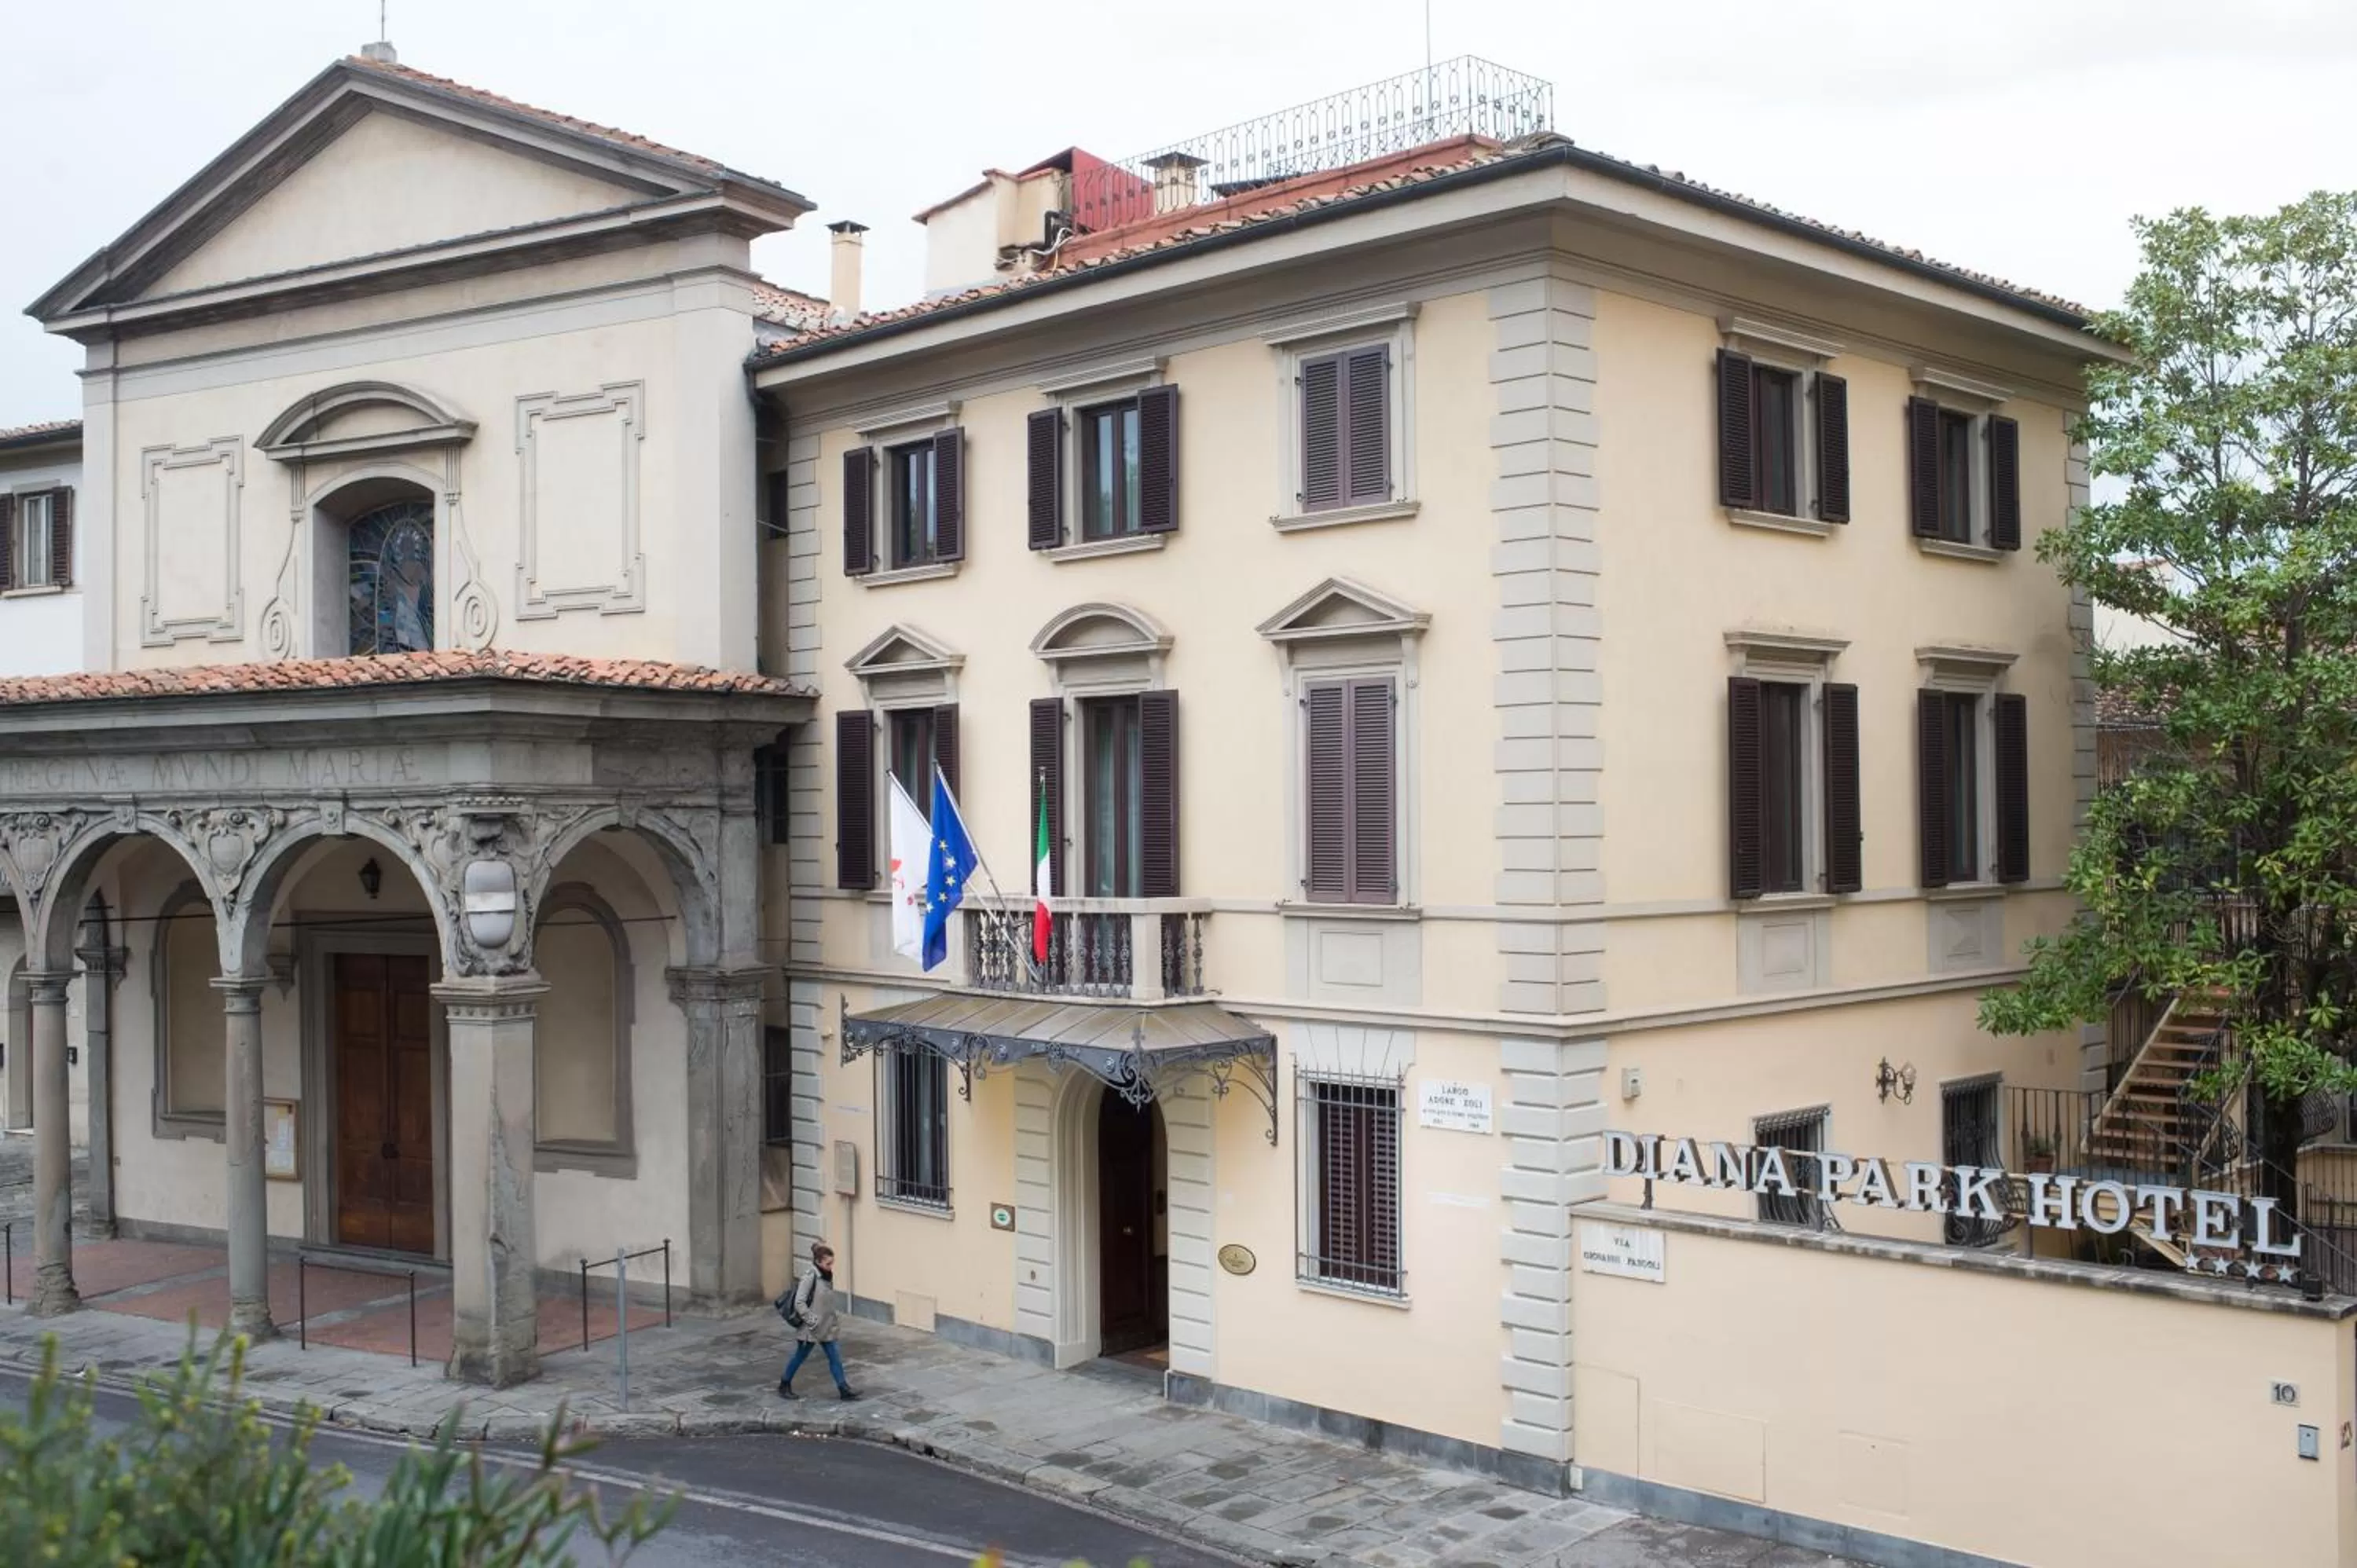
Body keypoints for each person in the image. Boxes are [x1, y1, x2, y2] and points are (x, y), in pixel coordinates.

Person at [778, 1241, 859, 1401]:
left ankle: (843, 1389)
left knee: (835, 1357)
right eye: (828, 1263)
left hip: (827, 1327)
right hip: (812, 1329)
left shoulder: (826, 1276)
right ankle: (784, 1383)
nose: (831, 1266)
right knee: (800, 1356)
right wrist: (812, 1320)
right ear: (818, 1262)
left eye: (832, 1263)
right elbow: (799, 1302)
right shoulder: (810, 1276)